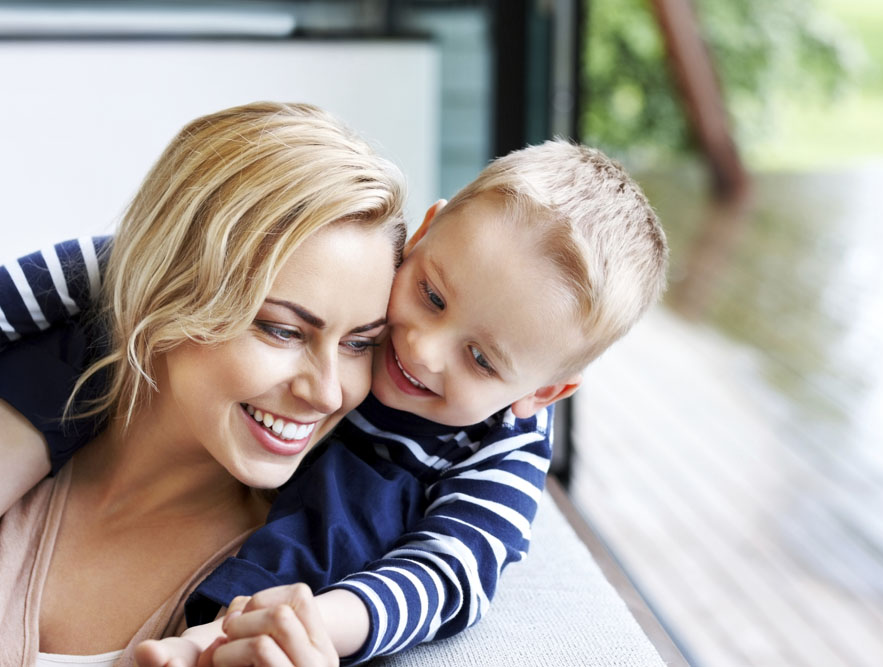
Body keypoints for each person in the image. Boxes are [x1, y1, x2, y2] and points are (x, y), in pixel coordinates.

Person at [1, 138, 669, 664]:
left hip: (325, 541)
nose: (423, 350)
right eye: (430, 297)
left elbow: (451, 571)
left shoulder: (501, 443)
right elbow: (111, 267)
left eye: (481, 359)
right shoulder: (362, 255)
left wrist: (319, 624)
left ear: (542, 392)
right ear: (427, 234)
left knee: (362, 509)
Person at [0, 100, 418, 666]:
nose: (326, 392)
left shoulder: (312, 587)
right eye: (282, 330)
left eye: (358, 344)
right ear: (165, 295)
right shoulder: (17, 436)